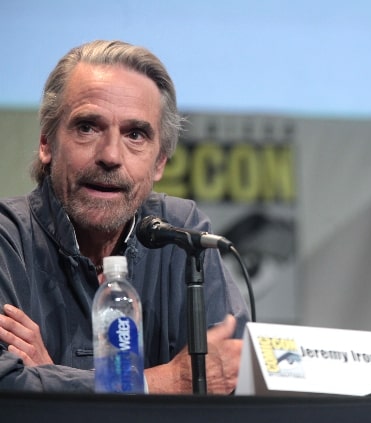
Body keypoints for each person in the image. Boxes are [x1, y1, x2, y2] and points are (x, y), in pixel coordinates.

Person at [0, 40, 249, 393]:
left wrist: (51, 379)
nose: (111, 155)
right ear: (46, 143)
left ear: (159, 161)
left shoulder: (183, 234)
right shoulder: (6, 240)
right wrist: (164, 382)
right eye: (88, 127)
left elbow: (229, 375)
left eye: (135, 134)